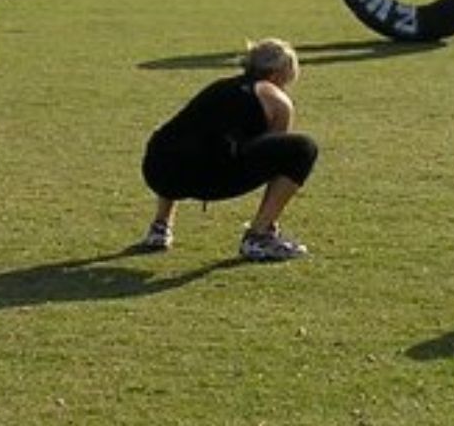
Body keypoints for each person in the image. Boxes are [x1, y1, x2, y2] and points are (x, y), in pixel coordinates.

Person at [136, 38, 318, 260]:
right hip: (211, 178)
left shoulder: (220, 86)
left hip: (158, 171)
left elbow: (181, 134)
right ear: (276, 75)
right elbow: (276, 159)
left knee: (179, 138)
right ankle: (259, 236)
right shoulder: (278, 100)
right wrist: (271, 220)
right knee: (302, 148)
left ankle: (160, 226)